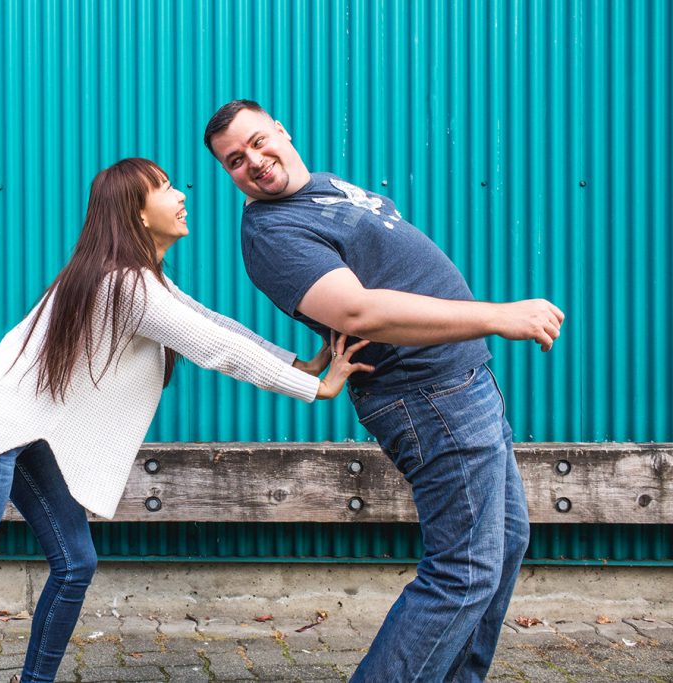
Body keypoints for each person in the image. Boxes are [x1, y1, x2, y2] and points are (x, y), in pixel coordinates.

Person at [0, 157, 372, 683]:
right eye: (164, 187)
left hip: (27, 433)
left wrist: (298, 360)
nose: (182, 194)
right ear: (136, 213)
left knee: (75, 563)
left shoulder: (137, 279)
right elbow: (212, 348)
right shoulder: (122, 285)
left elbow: (210, 323)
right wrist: (313, 388)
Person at [204, 101, 565, 682]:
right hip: (428, 397)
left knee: (502, 546)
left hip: (462, 381)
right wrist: (497, 315)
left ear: (281, 131)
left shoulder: (316, 190)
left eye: (257, 142)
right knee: (464, 571)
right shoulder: (272, 232)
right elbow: (357, 309)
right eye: (235, 161)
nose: (255, 162)